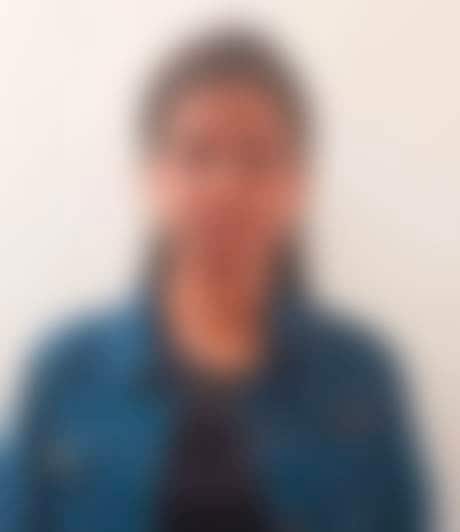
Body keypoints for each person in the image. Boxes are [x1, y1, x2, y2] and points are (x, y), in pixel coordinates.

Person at [1, 27, 427, 532]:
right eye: (197, 153)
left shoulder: (358, 378)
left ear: (299, 184)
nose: (226, 186)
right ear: (150, 176)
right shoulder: (68, 372)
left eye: (256, 156)